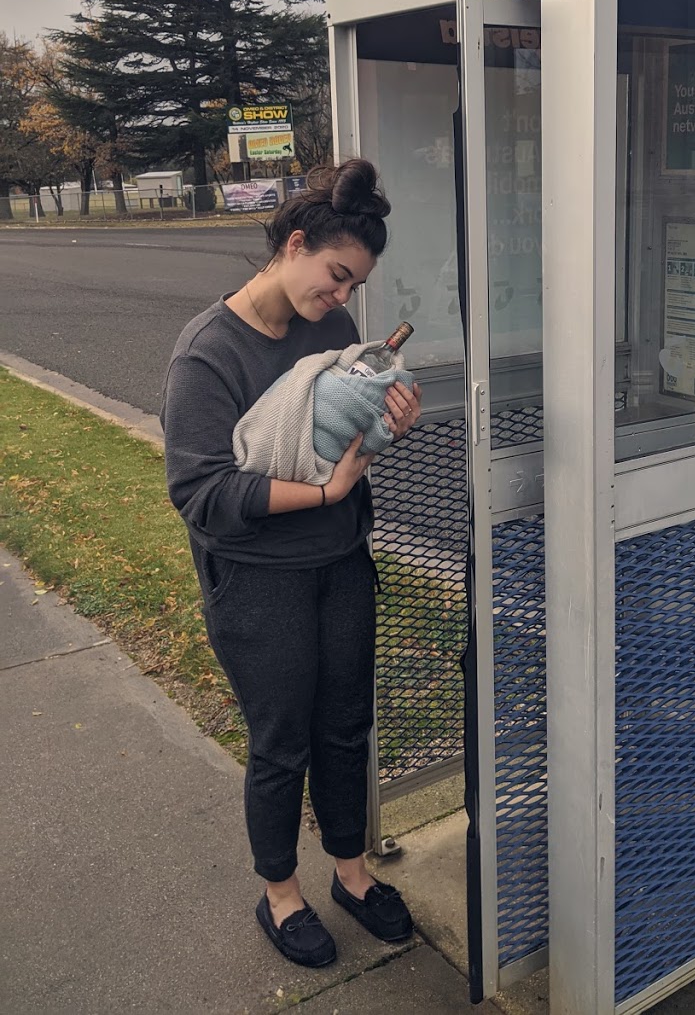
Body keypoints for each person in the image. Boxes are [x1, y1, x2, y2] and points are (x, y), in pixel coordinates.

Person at [160, 158, 422, 969]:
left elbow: (343, 434)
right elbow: (202, 493)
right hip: (256, 579)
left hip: (340, 562)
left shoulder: (334, 333)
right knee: (283, 741)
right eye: (337, 275)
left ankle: (350, 870)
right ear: (296, 243)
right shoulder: (208, 353)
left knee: (346, 726)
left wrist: (387, 426)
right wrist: (328, 490)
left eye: (354, 286)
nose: (342, 298)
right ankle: (280, 892)